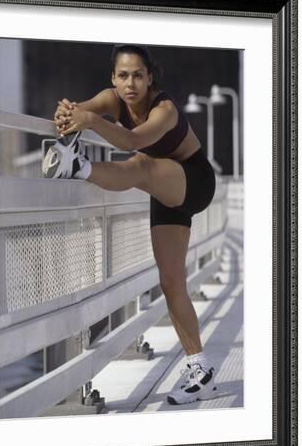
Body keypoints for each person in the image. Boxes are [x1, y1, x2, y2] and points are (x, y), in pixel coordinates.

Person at [44, 44, 217, 405]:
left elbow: (134, 140)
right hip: (164, 186)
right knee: (171, 282)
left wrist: (90, 121)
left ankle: (77, 167)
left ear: (150, 77)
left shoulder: (164, 109)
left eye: (138, 75)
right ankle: (200, 370)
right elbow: (78, 111)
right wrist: (68, 113)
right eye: (123, 76)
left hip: (194, 181)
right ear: (113, 79)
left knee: (139, 163)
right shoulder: (112, 99)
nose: (130, 84)